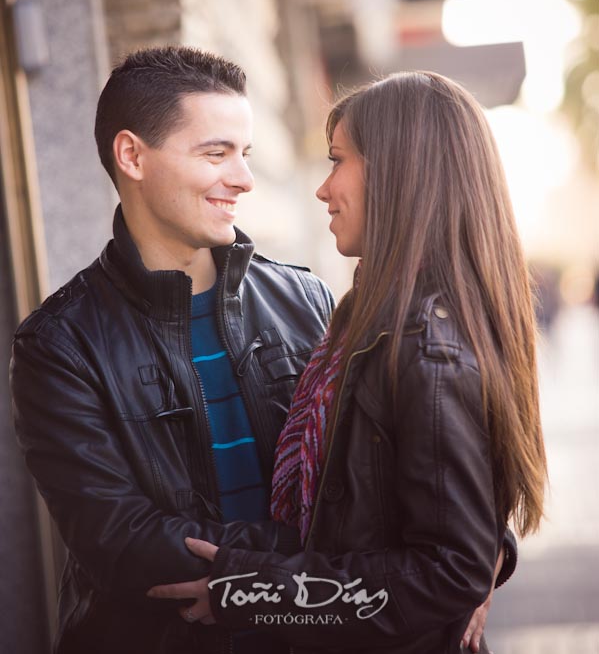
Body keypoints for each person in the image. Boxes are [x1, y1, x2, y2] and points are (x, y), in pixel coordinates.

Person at [148, 72, 545, 654]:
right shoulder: (368, 320)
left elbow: (448, 570)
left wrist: (259, 596)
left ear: (398, 172)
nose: (322, 188)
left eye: (337, 160)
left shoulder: (424, 350)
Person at [10, 46, 334, 654]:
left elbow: (381, 468)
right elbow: (122, 542)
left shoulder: (307, 301)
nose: (242, 178)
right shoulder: (57, 345)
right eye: (216, 153)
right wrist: (322, 563)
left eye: (244, 153)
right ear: (132, 155)